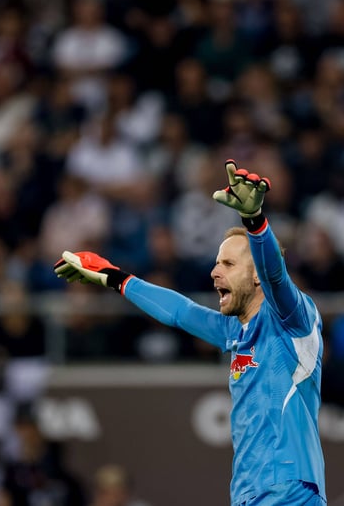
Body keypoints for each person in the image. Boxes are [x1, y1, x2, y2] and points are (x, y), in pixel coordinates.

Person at [55, 160, 326, 505]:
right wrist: (116, 278)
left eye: (228, 264)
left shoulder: (294, 320)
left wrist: (255, 222)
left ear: (256, 274)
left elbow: (276, 277)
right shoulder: (235, 331)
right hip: (248, 495)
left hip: (290, 492)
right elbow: (182, 313)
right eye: (216, 263)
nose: (214, 272)